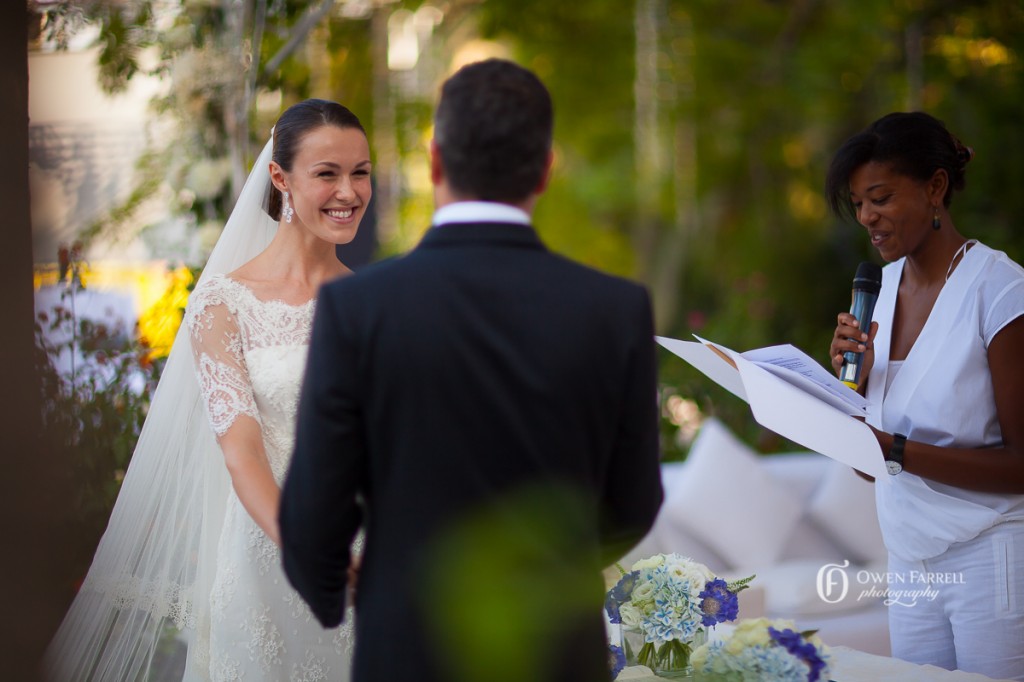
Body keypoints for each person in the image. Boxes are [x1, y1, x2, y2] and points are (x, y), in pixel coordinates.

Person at [279, 59, 664, 682]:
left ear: (435, 161)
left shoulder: (358, 308)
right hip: (557, 652)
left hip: (407, 649)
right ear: (544, 168)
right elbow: (633, 502)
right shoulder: (615, 309)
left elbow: (312, 514)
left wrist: (342, 599)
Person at [45, 98, 369, 681]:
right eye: (328, 173)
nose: (349, 192)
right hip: (269, 556)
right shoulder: (223, 303)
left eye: (360, 172)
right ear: (280, 178)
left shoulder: (377, 301)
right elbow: (240, 447)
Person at [825, 111, 1024, 680]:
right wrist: (845, 385)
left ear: (935, 187)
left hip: (990, 557)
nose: (867, 217)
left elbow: (1021, 464)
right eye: (859, 203)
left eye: (881, 198)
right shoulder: (879, 291)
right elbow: (870, 468)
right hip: (909, 558)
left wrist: (895, 449)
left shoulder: (1001, 291)